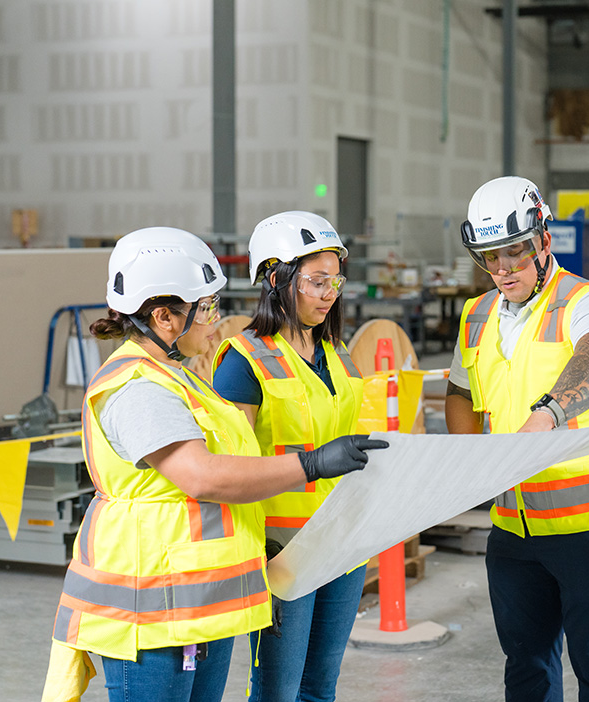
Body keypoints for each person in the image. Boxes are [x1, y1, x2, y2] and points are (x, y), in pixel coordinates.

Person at [45, 227, 387, 702]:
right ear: (164, 316)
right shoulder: (137, 388)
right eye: (205, 307)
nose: (216, 320)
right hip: (153, 610)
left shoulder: (178, 378)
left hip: (198, 603)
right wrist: (310, 465)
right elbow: (202, 475)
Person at [444, 177, 589, 702]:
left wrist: (547, 415)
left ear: (544, 239)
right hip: (515, 524)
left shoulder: (588, 303)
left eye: (514, 254)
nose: (501, 269)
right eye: (488, 257)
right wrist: (467, 460)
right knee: (526, 662)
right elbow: (460, 391)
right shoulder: (476, 316)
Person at [211, 211, 365, 702]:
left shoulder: (338, 354)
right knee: (278, 692)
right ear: (277, 279)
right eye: (316, 281)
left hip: (342, 543)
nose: (329, 293)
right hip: (282, 550)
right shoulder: (243, 360)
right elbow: (227, 468)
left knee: (321, 688)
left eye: (335, 280)